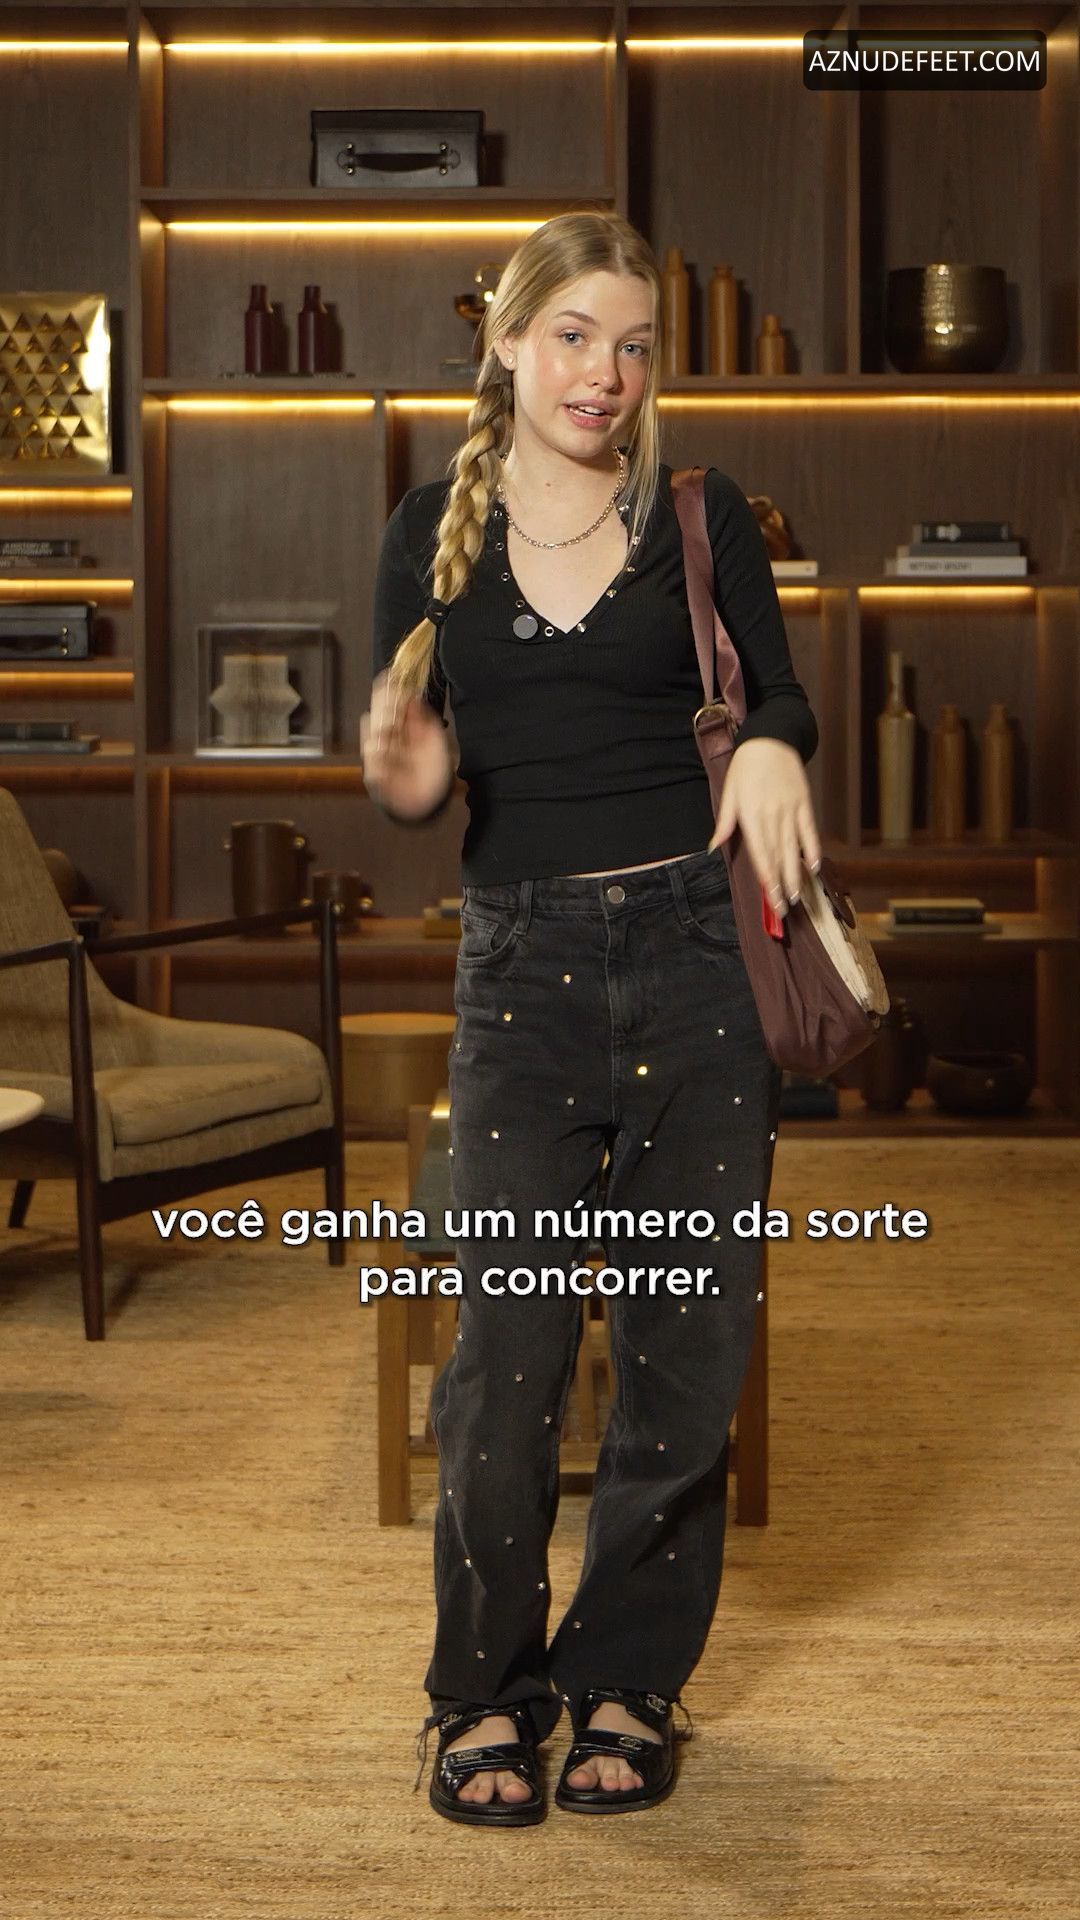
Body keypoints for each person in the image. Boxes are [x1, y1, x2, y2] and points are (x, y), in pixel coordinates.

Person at [360, 210, 822, 1827]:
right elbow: (413, 769)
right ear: (507, 342)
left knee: (686, 1350)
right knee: (507, 1358)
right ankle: (481, 1693)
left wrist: (774, 745)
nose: (604, 373)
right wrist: (408, 771)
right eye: (574, 336)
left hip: (701, 962)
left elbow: (779, 693)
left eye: (633, 345)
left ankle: (629, 1677)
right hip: (525, 974)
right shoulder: (429, 530)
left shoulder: (699, 513)